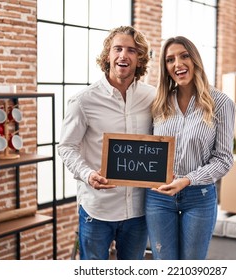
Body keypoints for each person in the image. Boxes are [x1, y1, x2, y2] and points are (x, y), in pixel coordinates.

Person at [57, 26, 155, 260]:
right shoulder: (83, 101)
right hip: (97, 208)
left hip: (138, 211)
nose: (124, 55)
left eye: (131, 50)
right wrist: (87, 174)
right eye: (118, 49)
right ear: (108, 55)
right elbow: (66, 147)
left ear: (139, 59)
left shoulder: (152, 97)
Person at [145, 36, 235, 260]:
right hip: (159, 197)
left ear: (195, 60)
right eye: (170, 60)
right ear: (165, 68)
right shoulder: (158, 103)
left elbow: (224, 159)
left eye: (184, 56)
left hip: (199, 196)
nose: (178, 64)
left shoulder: (221, 103)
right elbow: (147, 150)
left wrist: (187, 180)